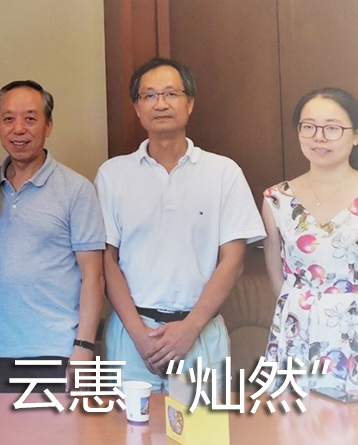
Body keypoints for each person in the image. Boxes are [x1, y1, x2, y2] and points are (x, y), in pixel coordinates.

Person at [95, 58, 265, 391]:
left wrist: (189, 329)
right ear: (137, 108)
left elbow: (233, 260)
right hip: (132, 337)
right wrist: (139, 335)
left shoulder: (223, 172)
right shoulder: (112, 174)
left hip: (200, 332)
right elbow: (106, 260)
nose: (160, 104)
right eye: (149, 95)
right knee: (129, 423)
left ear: (190, 103)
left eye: (171, 93)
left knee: (202, 425)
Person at [0, 81, 107, 393]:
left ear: (48, 125)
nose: (19, 129)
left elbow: (94, 275)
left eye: (30, 119)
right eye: (9, 119)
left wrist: (84, 347)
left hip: (57, 349)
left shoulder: (76, 189)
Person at [260, 87, 358, 396]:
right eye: (308, 127)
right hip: (297, 327)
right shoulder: (277, 199)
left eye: (332, 128)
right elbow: (277, 278)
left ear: (356, 135)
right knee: (294, 417)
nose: (319, 137)